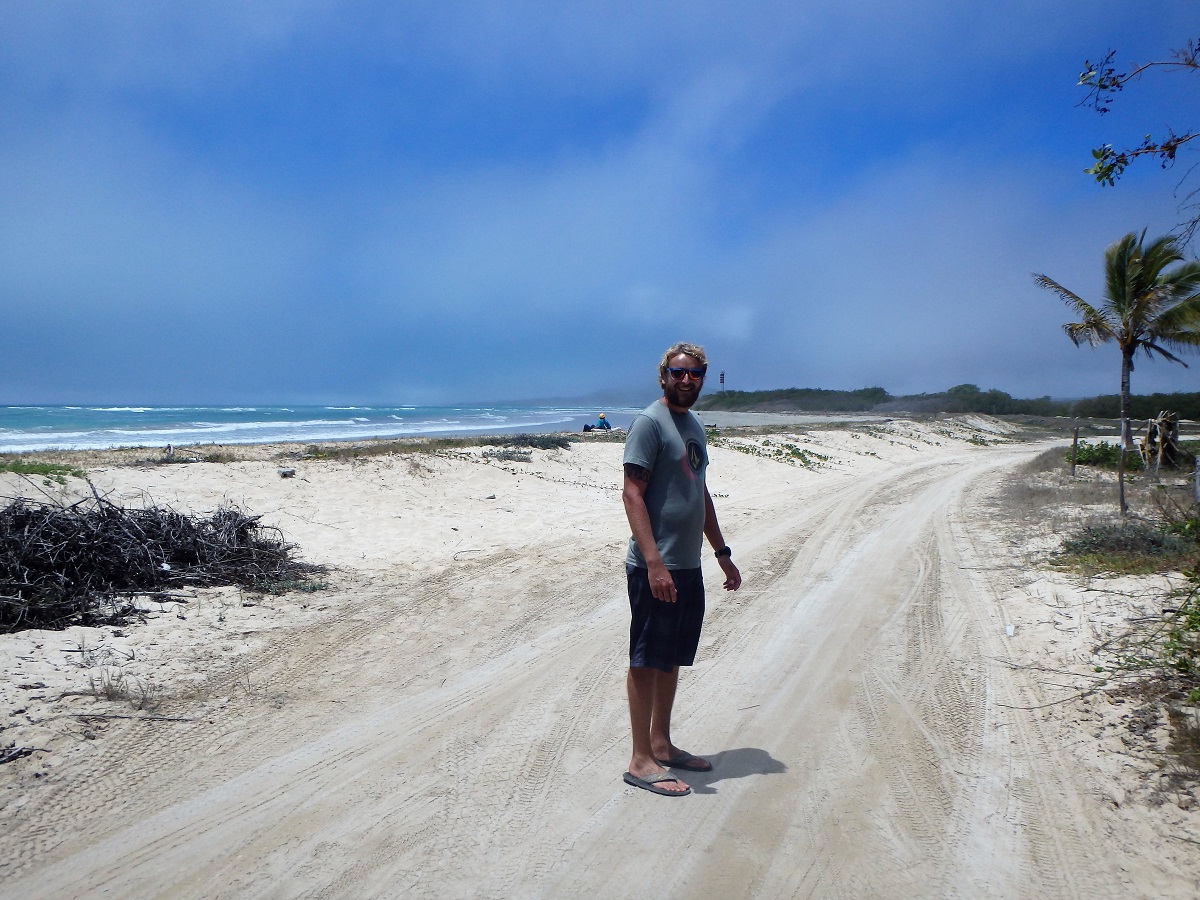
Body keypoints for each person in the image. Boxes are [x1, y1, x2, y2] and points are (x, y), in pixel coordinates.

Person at [620, 341, 741, 797]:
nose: (686, 380)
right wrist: (653, 562)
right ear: (663, 375)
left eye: (695, 374)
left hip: (687, 564)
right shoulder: (650, 423)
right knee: (647, 659)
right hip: (658, 566)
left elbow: (700, 493)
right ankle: (639, 759)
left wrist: (721, 552)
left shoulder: (693, 425)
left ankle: (662, 744)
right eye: (678, 372)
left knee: (670, 658)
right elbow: (633, 495)